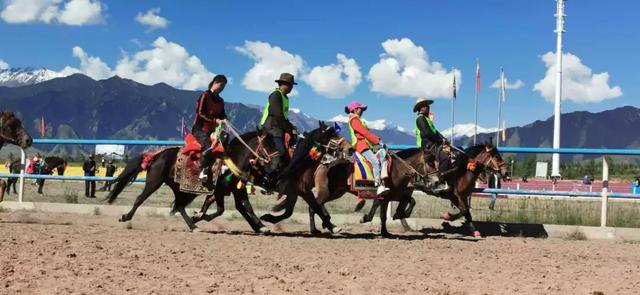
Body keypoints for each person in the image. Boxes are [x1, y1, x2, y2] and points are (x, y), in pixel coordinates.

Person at [260, 73, 298, 188]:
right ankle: (267, 177)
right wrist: (290, 128)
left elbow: (283, 117)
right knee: (280, 152)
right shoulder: (276, 95)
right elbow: (277, 115)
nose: (292, 88)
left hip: (279, 128)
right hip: (271, 128)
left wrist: (291, 128)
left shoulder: (285, 98)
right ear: (284, 84)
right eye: (291, 85)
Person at [346, 101, 389, 195]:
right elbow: (365, 133)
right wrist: (378, 141)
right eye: (361, 109)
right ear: (355, 109)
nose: (362, 111)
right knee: (375, 162)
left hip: (366, 145)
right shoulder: (354, 120)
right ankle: (378, 185)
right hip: (361, 146)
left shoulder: (357, 119)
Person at [192, 75, 228, 183]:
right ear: (215, 82)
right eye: (221, 85)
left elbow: (222, 114)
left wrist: (225, 119)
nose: (222, 88)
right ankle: (203, 170)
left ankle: (222, 166)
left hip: (214, 130)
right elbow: (199, 113)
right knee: (208, 145)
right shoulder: (205, 95)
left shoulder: (221, 100)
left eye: (224, 87)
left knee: (226, 138)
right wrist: (214, 120)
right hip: (201, 129)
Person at [414, 97, 450, 192]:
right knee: (445, 157)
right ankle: (440, 183)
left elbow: (434, 131)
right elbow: (427, 132)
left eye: (428, 106)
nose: (428, 107)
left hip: (432, 144)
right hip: (428, 146)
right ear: (421, 108)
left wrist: (443, 138)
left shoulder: (426, 119)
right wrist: (440, 140)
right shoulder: (420, 119)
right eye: (426, 106)